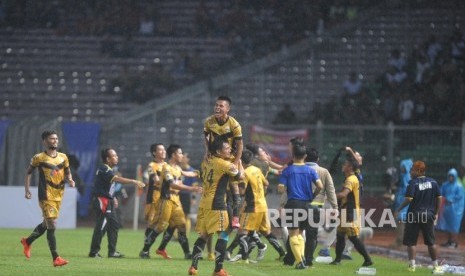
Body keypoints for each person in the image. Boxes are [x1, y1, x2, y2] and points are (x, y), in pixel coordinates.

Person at [188, 138, 244, 276]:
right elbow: (240, 177)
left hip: (204, 203)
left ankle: (193, 267)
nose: (229, 149)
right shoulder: (224, 164)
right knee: (224, 233)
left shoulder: (206, 161)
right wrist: (240, 162)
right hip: (217, 204)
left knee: (204, 235)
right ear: (218, 151)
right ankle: (218, 270)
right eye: (226, 148)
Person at [21, 130, 75, 267]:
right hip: (45, 195)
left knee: (46, 223)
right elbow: (28, 173)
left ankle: (27, 241)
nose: (55, 141)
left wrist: (70, 179)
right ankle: (56, 258)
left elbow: (67, 171)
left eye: (56, 138)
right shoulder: (39, 157)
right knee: (51, 224)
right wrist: (27, 190)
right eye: (52, 139)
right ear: (44, 141)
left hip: (58, 195)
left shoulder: (63, 157)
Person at [139, 144, 201, 260]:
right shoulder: (166, 168)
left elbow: (188, 175)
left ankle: (187, 253)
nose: (182, 155)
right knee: (160, 226)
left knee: (181, 225)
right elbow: (172, 184)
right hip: (165, 200)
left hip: (176, 201)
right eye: (180, 153)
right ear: (173, 155)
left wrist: (201, 172)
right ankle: (145, 250)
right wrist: (191, 189)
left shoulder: (177, 168)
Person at [229, 150, 286, 263]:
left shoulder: (245, 173)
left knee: (242, 232)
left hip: (252, 206)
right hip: (263, 205)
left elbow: (242, 191)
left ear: (241, 161)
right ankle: (282, 253)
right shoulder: (257, 170)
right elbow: (266, 184)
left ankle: (244, 258)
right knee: (266, 232)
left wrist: (234, 184)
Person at [88, 148, 145, 258]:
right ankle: (94, 252)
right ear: (108, 159)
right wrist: (134, 181)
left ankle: (112, 252)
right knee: (101, 226)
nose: (117, 157)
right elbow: (116, 179)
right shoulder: (104, 168)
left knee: (114, 225)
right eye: (114, 156)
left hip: (108, 200)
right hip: (102, 201)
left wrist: (112, 197)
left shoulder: (109, 169)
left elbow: (106, 186)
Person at [278, 142, 323, 269]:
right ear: (305, 156)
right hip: (308, 204)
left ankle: (300, 262)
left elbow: (281, 188)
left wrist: (284, 188)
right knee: (300, 233)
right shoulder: (310, 171)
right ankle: (301, 258)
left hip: (293, 204)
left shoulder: (288, 171)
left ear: (293, 155)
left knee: (293, 234)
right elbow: (320, 186)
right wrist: (313, 195)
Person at [394, 161, 442, 273]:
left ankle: (412, 266)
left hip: (414, 214)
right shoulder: (433, 182)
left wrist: (398, 209)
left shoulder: (413, 183)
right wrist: (436, 212)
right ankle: (436, 266)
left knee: (411, 242)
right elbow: (439, 197)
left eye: (412, 170)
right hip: (428, 214)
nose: (410, 172)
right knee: (431, 242)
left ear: (418, 171)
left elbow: (409, 199)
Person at [330, 157, 373, 267]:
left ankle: (368, 259)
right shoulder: (350, 178)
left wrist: (330, 196)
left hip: (350, 212)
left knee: (353, 237)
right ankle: (337, 260)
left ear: (349, 167)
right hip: (345, 211)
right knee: (340, 235)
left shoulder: (351, 179)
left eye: (345, 164)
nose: (342, 166)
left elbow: (344, 194)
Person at [305, 148, 338, 260]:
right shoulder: (324, 172)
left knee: (298, 232)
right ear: (318, 159)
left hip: (300, 204)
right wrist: (335, 207)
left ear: (305, 157)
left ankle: (296, 256)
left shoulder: (299, 169)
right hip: (317, 206)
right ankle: (308, 258)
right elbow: (330, 190)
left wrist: (284, 204)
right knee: (312, 234)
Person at [437, 168, 465, 248]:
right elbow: (441, 193)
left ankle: (454, 242)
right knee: (447, 225)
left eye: (452, 176)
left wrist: (450, 199)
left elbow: (460, 197)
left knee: (454, 226)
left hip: (456, 210)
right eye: (449, 176)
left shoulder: (459, 186)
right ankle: (449, 241)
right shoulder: (445, 185)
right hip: (447, 208)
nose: (450, 178)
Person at [392, 158, 413, 247]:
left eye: (403, 166)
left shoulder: (406, 177)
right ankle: (400, 241)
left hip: (404, 203)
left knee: (401, 221)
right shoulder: (402, 176)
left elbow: (407, 191)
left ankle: (400, 242)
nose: (402, 168)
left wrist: (397, 190)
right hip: (400, 202)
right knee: (399, 221)